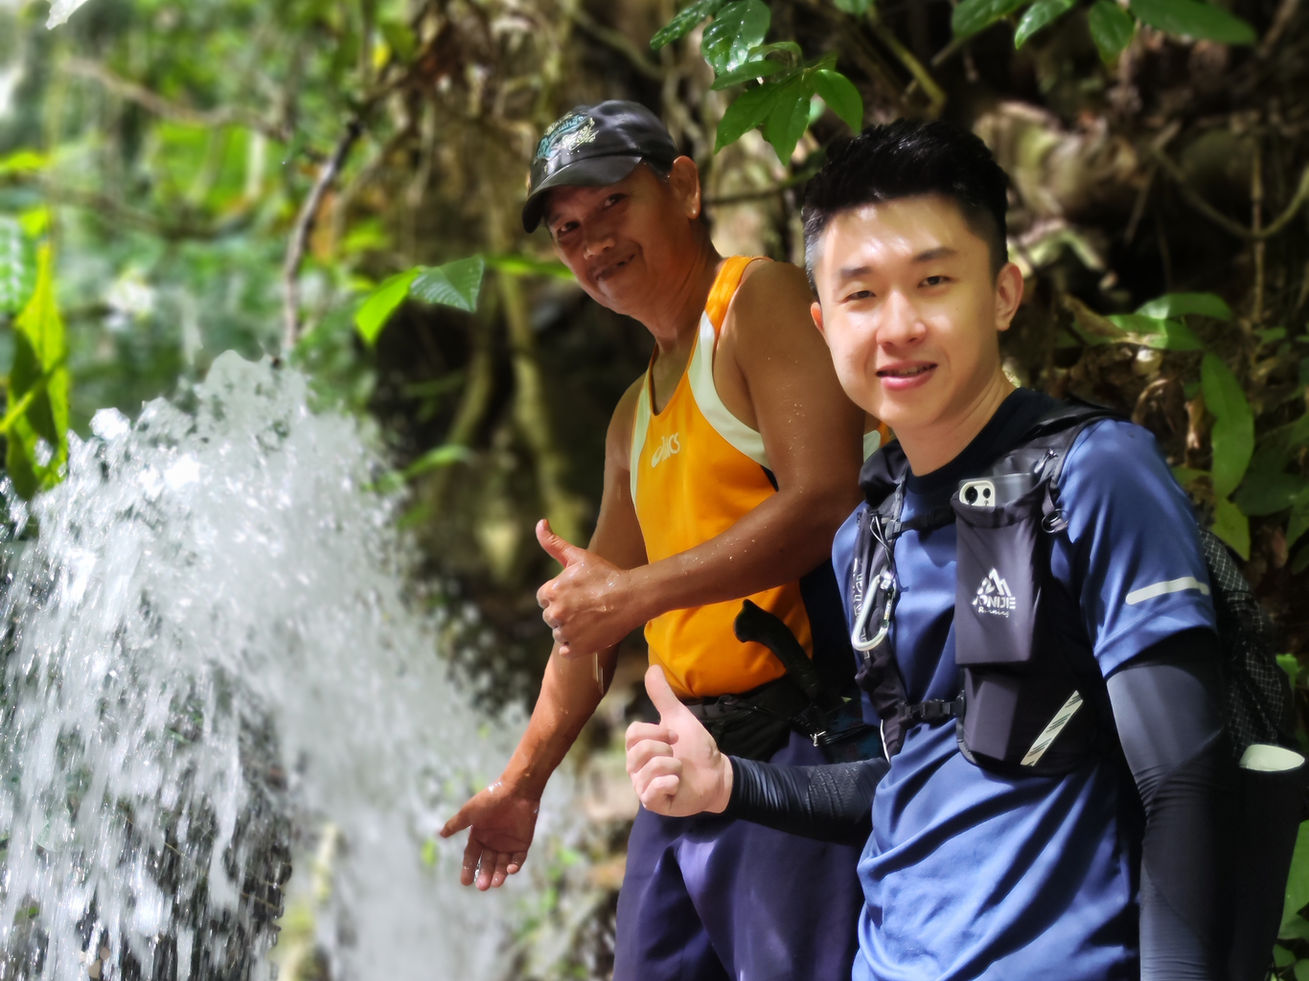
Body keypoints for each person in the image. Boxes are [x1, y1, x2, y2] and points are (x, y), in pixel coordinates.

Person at [626, 118, 1237, 980]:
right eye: (861, 294)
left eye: (934, 280)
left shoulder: (1094, 474)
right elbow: (915, 776)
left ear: (1001, 293)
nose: (898, 325)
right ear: (821, 322)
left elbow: (1183, 780)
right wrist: (730, 782)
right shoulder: (865, 532)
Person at [440, 100, 879, 981]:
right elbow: (590, 625)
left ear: (683, 186)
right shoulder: (629, 418)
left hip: (808, 742)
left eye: (611, 204)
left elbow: (825, 497)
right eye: (568, 228)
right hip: (679, 752)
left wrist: (635, 594)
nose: (593, 240)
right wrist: (522, 782)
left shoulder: (760, 301)